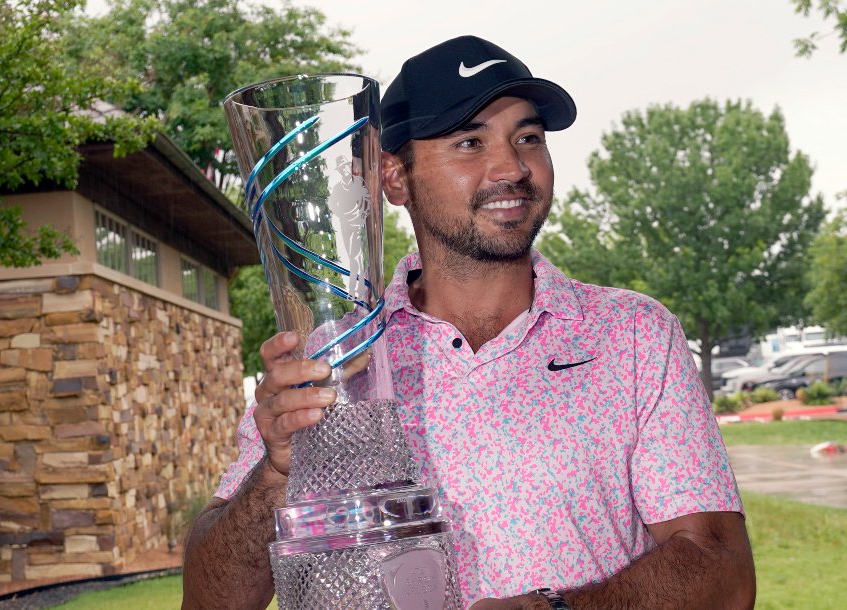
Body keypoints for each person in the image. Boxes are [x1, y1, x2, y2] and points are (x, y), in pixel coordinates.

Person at [183, 35, 755, 610]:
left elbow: (722, 572)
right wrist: (277, 473)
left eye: (528, 137)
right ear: (395, 178)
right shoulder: (338, 356)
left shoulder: (631, 335)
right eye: (469, 142)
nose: (511, 167)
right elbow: (211, 602)